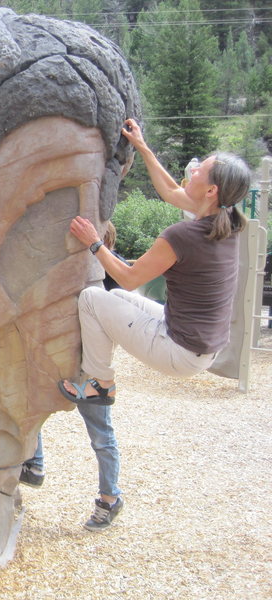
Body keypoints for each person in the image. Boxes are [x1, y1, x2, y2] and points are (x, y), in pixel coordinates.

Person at [58, 117, 251, 530]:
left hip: (179, 350)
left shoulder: (183, 235)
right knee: (117, 301)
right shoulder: (229, 222)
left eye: (200, 169)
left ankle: (99, 382)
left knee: (95, 298)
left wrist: (93, 241)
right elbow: (169, 190)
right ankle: (99, 378)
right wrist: (142, 147)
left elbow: (127, 274)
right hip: (197, 339)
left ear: (211, 190)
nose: (193, 168)